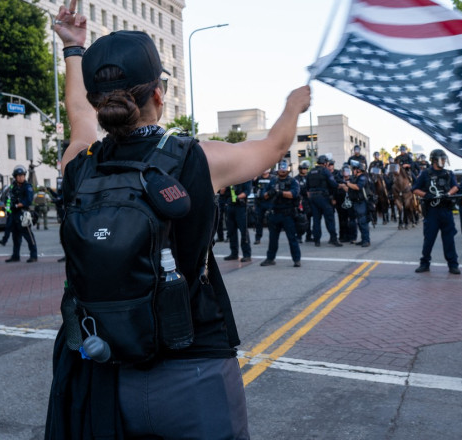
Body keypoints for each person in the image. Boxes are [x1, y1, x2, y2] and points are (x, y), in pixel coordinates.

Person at [47, 5, 310, 438]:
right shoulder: (196, 158)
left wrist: (73, 49)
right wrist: (293, 105)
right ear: (158, 96)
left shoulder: (80, 165)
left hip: (108, 374)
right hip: (195, 371)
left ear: (99, 104)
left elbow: (78, 118)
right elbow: (274, 146)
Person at [412, 149, 460, 274]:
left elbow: (456, 187)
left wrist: (448, 194)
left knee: (449, 239)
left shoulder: (449, 174)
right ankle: (425, 263)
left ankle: (453, 265)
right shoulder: (425, 174)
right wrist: (426, 195)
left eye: (444, 159)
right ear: (434, 160)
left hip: (446, 210)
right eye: (441, 159)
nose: (443, 161)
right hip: (432, 211)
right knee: (429, 239)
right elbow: (415, 189)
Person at [260, 160, 302, 266]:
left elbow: (294, 194)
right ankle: (270, 258)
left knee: (292, 238)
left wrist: (280, 193)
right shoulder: (273, 181)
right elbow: (263, 195)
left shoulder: (292, 181)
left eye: (284, 168)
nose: (282, 170)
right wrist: (270, 193)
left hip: (288, 214)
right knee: (273, 238)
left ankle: (297, 260)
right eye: (280, 168)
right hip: (275, 213)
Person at [307, 155, 342, 247]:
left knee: (316, 219)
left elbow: (307, 186)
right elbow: (333, 183)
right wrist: (340, 185)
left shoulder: (310, 172)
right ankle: (334, 239)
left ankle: (317, 240)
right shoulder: (325, 171)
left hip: (313, 197)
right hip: (323, 197)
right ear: (325, 163)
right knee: (329, 218)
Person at [5, 165, 38, 263]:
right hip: (14, 214)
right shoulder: (13, 186)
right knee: (15, 236)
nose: (20, 177)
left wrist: (21, 204)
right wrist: (8, 204)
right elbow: (8, 197)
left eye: (22, 175)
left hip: (23, 214)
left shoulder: (27, 187)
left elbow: (29, 199)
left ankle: (34, 255)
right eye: (18, 176)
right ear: (15, 177)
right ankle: (15, 256)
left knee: (28, 235)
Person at [339, 160, 371, 247]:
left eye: (355, 169)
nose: (353, 171)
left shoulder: (363, 177)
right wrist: (343, 185)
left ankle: (366, 240)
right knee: (359, 222)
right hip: (356, 202)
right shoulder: (356, 178)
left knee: (362, 221)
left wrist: (347, 183)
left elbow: (357, 187)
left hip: (362, 202)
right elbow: (350, 189)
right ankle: (363, 239)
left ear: (359, 170)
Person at [220, 181, 252, 262]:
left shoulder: (245, 177)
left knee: (243, 231)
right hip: (230, 206)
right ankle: (234, 253)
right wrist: (223, 189)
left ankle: (247, 254)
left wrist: (237, 197)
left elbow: (247, 191)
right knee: (231, 231)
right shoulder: (230, 178)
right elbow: (222, 193)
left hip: (240, 207)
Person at [252, 168, 273, 244]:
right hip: (259, 202)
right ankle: (258, 238)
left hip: (269, 202)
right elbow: (253, 185)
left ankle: (272, 238)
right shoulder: (258, 178)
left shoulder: (272, 178)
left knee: (270, 221)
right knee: (258, 221)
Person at [294, 160, 313, 243]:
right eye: (303, 168)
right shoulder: (296, 179)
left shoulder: (309, 177)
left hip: (309, 200)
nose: (305, 170)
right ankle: (299, 236)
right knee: (300, 219)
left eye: (306, 168)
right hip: (300, 200)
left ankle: (309, 236)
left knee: (309, 219)